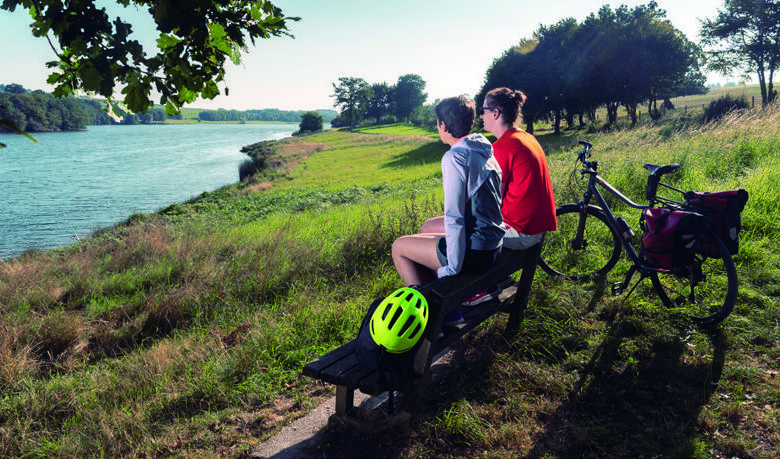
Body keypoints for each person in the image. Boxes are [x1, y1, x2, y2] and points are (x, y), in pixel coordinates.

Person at [391, 95, 504, 323]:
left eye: (437, 124)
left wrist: (453, 267)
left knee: (399, 247)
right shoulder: (483, 149)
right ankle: (448, 312)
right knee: (426, 228)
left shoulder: (456, 156)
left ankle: (433, 318)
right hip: (494, 244)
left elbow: (454, 218)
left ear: (442, 126)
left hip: (478, 253)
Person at [455, 87, 558, 305]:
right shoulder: (526, 137)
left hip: (520, 233)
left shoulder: (503, 147)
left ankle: (480, 288)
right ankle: (499, 279)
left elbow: (491, 203)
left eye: (484, 110)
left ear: (496, 113)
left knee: (451, 231)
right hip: (533, 230)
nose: (480, 116)